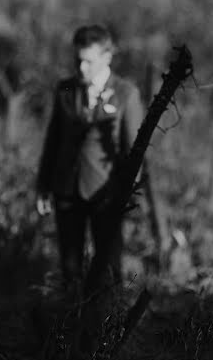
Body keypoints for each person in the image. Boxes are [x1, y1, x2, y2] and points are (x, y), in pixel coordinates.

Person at [36, 24, 145, 285]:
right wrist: (43, 185)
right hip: (67, 190)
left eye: (89, 62)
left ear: (106, 57)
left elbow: (134, 152)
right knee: (70, 267)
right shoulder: (66, 89)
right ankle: (71, 321)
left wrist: (124, 195)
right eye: (78, 60)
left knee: (108, 267)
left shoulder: (125, 94)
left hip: (105, 195)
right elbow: (53, 140)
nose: (82, 68)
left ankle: (105, 323)